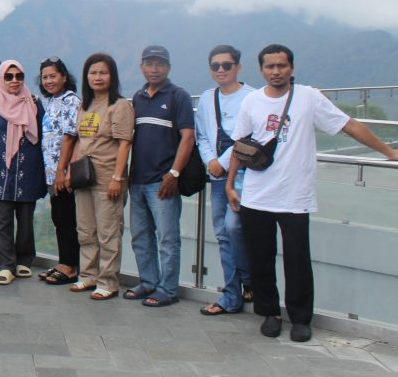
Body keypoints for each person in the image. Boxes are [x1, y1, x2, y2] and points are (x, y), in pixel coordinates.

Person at [227, 44, 398, 342]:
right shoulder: (252, 101)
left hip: (295, 196)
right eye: (270, 66)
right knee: (260, 258)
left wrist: (388, 151)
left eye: (282, 66)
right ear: (261, 69)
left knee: (297, 260)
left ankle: (300, 318)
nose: (276, 72)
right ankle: (270, 313)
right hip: (256, 195)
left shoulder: (308, 97)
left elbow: (348, 125)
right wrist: (230, 184)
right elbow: (239, 146)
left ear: (291, 68)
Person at [125, 45, 194, 308]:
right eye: (149, 64)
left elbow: (188, 137)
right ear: (142, 67)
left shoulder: (178, 96)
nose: (154, 69)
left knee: (167, 238)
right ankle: (148, 282)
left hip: (163, 181)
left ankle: (168, 288)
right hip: (138, 181)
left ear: (168, 68)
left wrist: (174, 173)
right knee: (141, 237)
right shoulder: (138, 97)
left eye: (160, 64)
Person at [67, 53, 134, 300]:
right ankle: (88, 275)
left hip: (107, 177)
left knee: (108, 232)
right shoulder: (85, 105)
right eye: (93, 73)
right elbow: (79, 141)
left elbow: (125, 143)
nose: (98, 77)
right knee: (85, 230)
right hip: (83, 176)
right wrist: (71, 170)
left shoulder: (120, 106)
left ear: (112, 76)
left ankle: (108, 282)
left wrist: (118, 178)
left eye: (103, 73)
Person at [194, 46, 255, 317]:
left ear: (238, 67)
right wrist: (211, 161)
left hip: (245, 175)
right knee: (222, 234)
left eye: (226, 65)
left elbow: (249, 137)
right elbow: (202, 135)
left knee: (233, 227)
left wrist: (222, 162)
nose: (221, 70)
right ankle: (233, 293)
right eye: (215, 66)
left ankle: (248, 279)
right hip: (217, 175)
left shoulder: (252, 97)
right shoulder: (207, 98)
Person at [0, 59, 46, 285]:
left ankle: (24, 260)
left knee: (25, 218)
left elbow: (43, 135)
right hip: (1, 168)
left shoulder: (33, 101)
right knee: (2, 219)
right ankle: (6, 265)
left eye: (19, 76)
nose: (14, 80)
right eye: (8, 76)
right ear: (1, 79)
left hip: (28, 166)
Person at [38, 57, 81, 285]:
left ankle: (70, 266)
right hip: (52, 170)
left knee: (66, 218)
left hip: (61, 171)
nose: (49, 81)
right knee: (59, 217)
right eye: (45, 77)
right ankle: (64, 261)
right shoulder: (53, 101)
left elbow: (69, 137)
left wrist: (61, 171)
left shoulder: (70, 100)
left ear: (64, 77)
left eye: (53, 76)